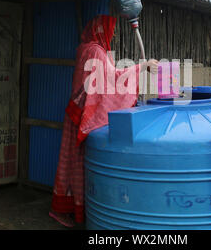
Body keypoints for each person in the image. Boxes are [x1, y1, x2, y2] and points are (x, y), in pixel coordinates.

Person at [49, 14, 158, 227]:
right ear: (101, 31)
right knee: (79, 166)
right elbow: (112, 79)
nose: (114, 34)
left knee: (70, 164)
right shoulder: (95, 51)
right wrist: (142, 66)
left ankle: (64, 208)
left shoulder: (84, 47)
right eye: (111, 30)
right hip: (82, 115)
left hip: (75, 111)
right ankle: (73, 211)